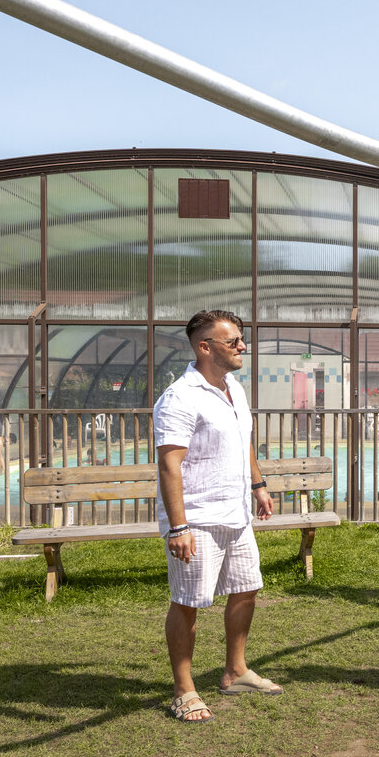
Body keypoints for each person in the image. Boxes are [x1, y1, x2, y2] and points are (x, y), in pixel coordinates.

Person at [153, 309, 282, 724]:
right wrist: (179, 526)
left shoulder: (233, 389)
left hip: (236, 512)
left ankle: (235, 671)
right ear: (205, 347)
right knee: (188, 602)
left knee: (246, 589)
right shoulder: (179, 397)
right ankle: (184, 690)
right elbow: (169, 465)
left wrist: (258, 486)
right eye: (233, 341)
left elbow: (244, 441)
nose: (243, 346)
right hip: (197, 518)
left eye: (242, 339)